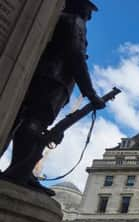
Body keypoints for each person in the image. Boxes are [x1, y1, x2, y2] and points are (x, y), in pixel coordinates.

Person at [0, 0, 105, 195]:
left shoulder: (59, 18)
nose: (90, 16)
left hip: (45, 76)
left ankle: (22, 171)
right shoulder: (75, 22)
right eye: (89, 10)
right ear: (80, 7)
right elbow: (76, 57)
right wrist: (91, 93)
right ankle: (20, 172)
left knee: (24, 122)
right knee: (34, 123)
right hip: (53, 79)